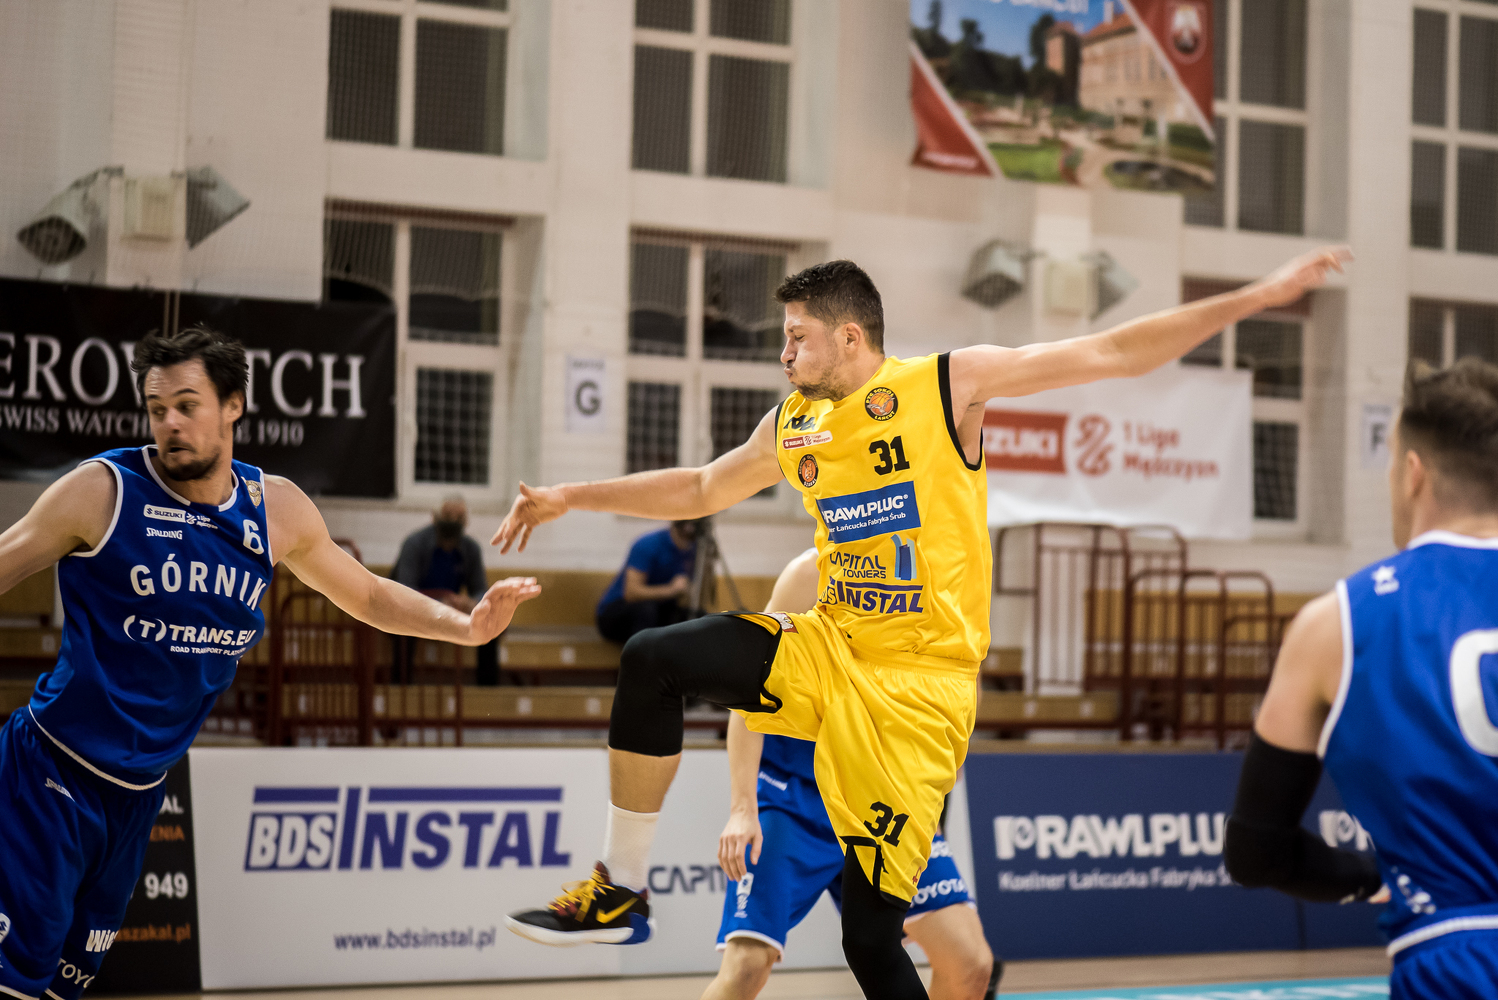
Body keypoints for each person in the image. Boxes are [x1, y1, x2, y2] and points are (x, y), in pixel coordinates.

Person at [496, 250, 1348, 1000]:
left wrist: (1255, 298)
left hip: (919, 696)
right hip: (832, 650)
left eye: (796, 337)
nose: (783, 354)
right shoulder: (795, 423)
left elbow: (1115, 353)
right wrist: (571, 496)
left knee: (871, 941)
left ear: (849, 338)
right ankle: (622, 889)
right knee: (652, 657)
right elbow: (699, 487)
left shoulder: (945, 386)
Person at [0, 326, 539, 1000]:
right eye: (157, 408)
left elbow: (369, 595)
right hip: (50, 774)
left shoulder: (273, 509)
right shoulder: (102, 491)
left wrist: (466, 627)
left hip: (139, 794)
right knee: (15, 981)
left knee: (64, 987)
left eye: (187, 405)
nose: (169, 424)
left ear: (233, 405)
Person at [1224, 358, 1498, 999]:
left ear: (1413, 473)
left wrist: (1372, 875)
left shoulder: (1338, 623)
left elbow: (1256, 851)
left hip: (1457, 957)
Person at [706, 549, 998, 1000]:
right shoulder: (808, 574)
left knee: (970, 963)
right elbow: (747, 697)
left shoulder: (943, 578)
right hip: (794, 800)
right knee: (746, 968)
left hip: (882, 801)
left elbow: (963, 686)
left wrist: (932, 791)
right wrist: (743, 808)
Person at [392, 495, 500, 684]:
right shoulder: (414, 544)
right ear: (435, 517)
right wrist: (438, 604)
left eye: (459, 517)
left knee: (490, 622)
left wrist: (472, 603)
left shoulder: (471, 548)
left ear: (466, 521)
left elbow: (480, 590)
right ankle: (401, 688)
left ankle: (487, 691)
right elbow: (404, 591)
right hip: (414, 610)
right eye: (448, 515)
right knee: (403, 626)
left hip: (449, 611)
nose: (453, 521)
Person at [595, 519, 701, 643]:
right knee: (647, 610)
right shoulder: (648, 544)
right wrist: (671, 590)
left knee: (700, 619)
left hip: (659, 608)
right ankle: (641, 655)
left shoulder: (694, 549)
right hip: (615, 612)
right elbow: (631, 593)